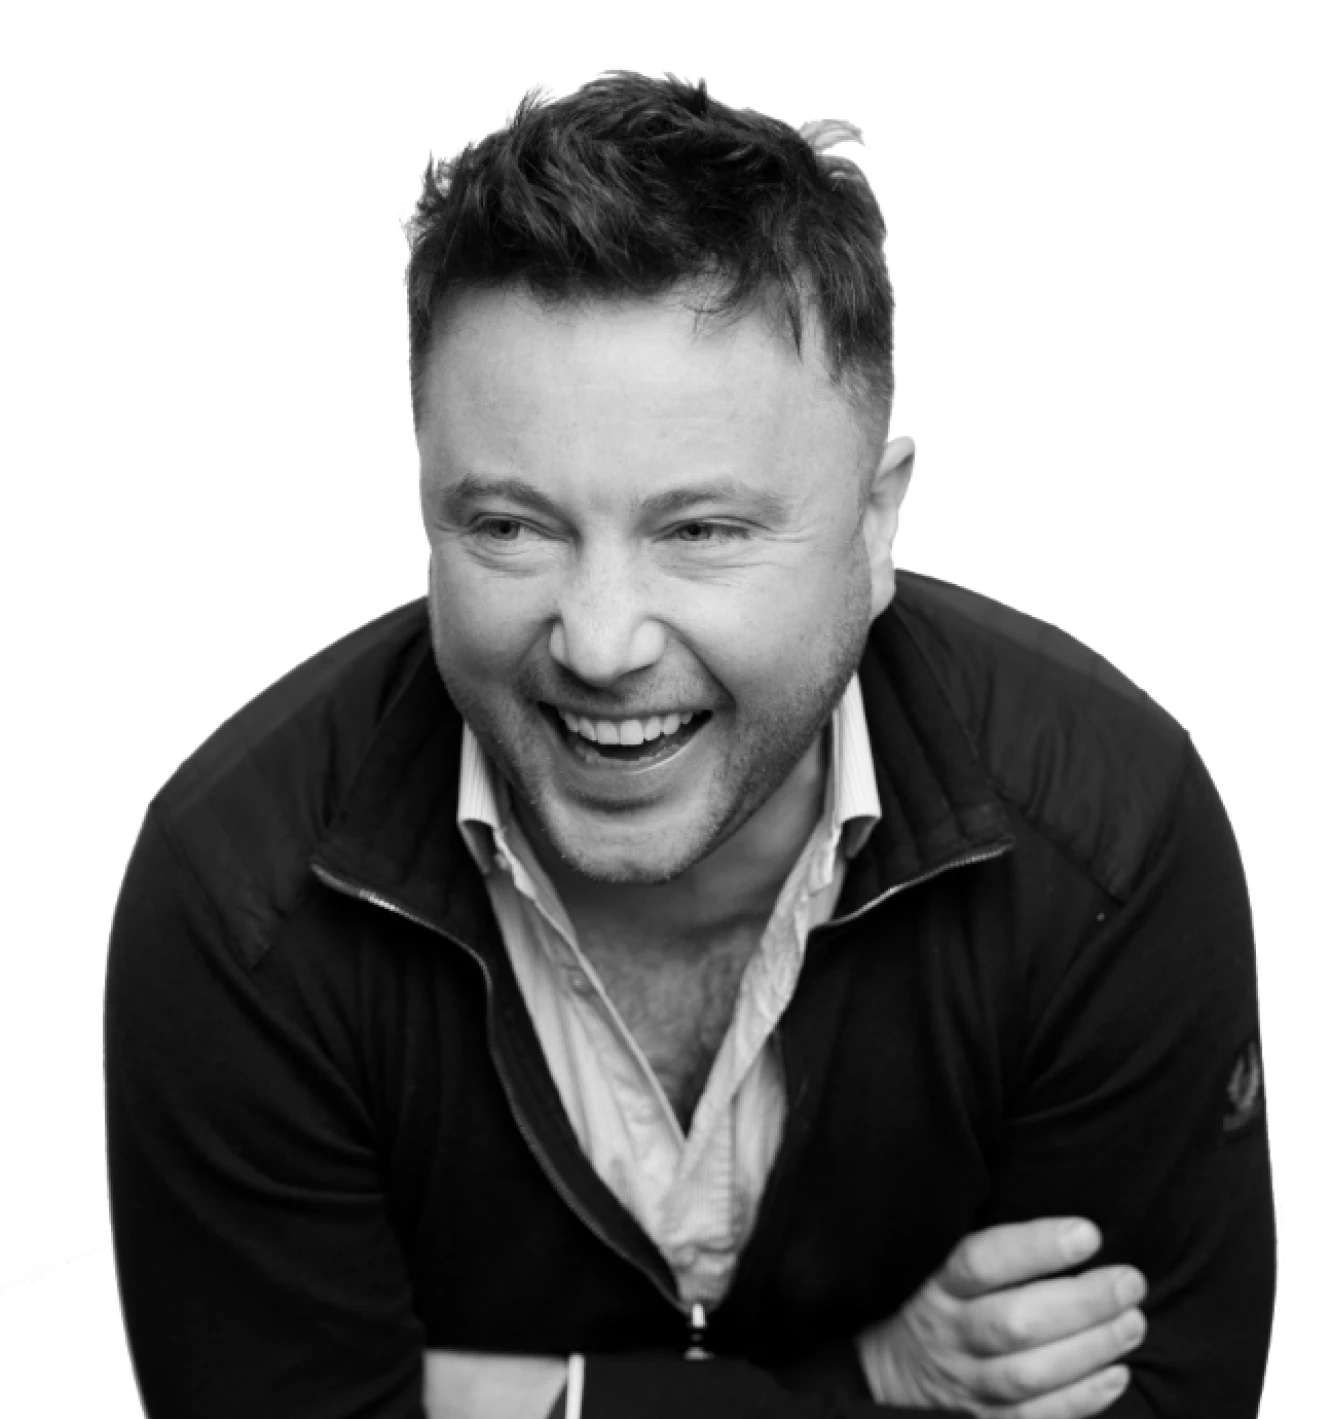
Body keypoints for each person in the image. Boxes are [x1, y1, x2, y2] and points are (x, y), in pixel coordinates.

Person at [104, 72, 1276, 1419]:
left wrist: (476, 1397)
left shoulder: (1105, 838)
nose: (601, 642)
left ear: (880, 521)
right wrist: (866, 1384)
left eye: (702, 531)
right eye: (510, 528)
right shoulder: (244, 900)